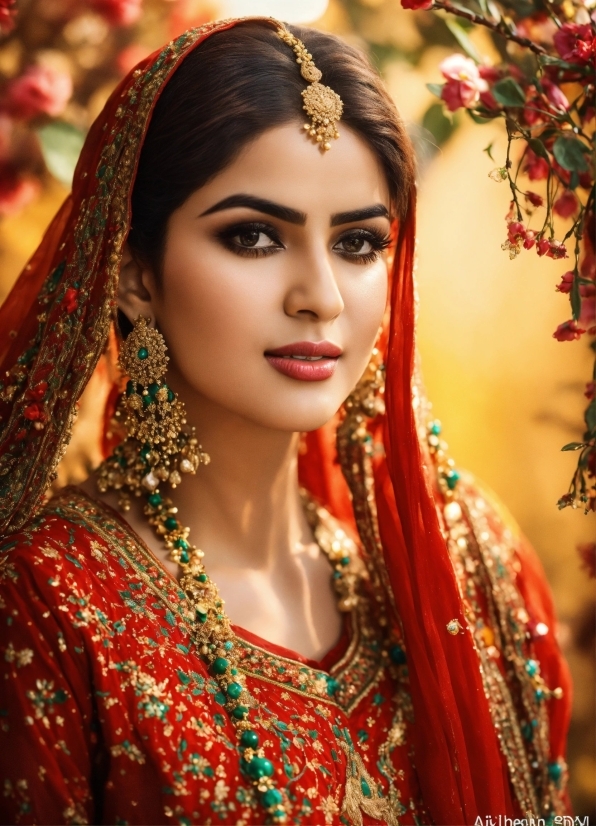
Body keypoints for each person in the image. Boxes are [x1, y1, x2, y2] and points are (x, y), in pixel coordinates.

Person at [0, 17, 572, 826]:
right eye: (255, 236)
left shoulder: (465, 572)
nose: (322, 297)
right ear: (133, 274)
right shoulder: (50, 603)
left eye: (360, 243)